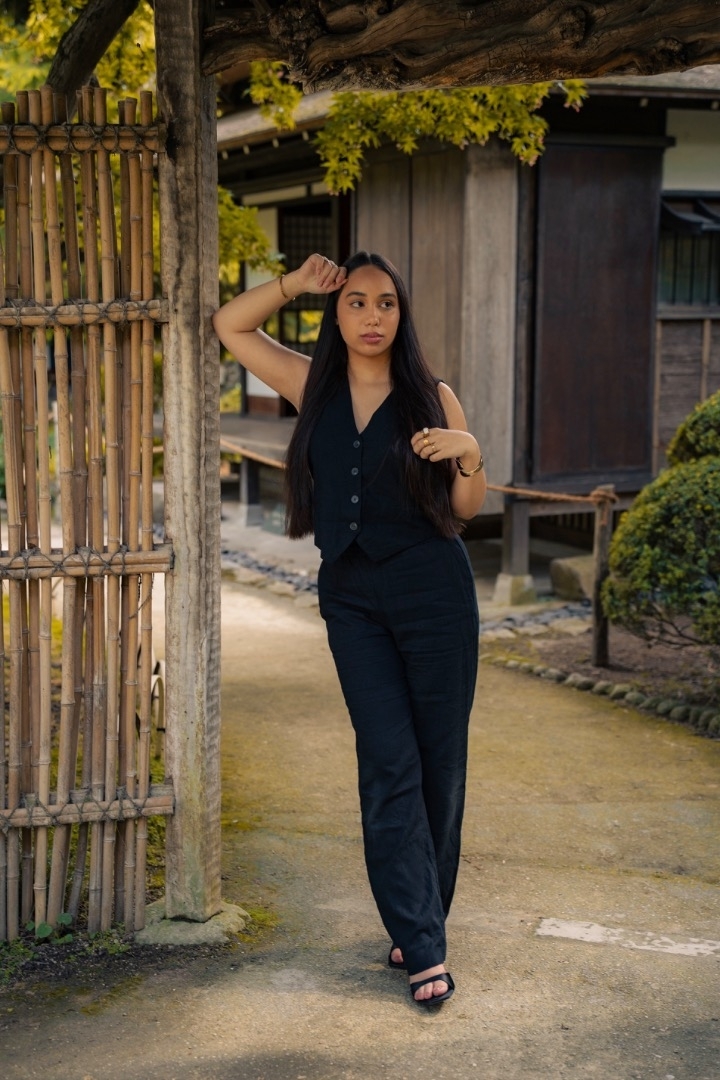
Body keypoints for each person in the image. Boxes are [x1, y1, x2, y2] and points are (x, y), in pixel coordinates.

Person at [213, 251, 486, 1005]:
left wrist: (469, 455)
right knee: (388, 760)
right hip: (353, 600)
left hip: (435, 594)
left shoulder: (433, 396)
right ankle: (423, 942)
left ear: (403, 314)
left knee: (440, 766)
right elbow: (230, 325)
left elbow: (464, 511)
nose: (372, 316)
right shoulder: (313, 386)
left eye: (386, 303)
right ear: (337, 314)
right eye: (357, 302)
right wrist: (295, 284)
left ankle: (419, 920)